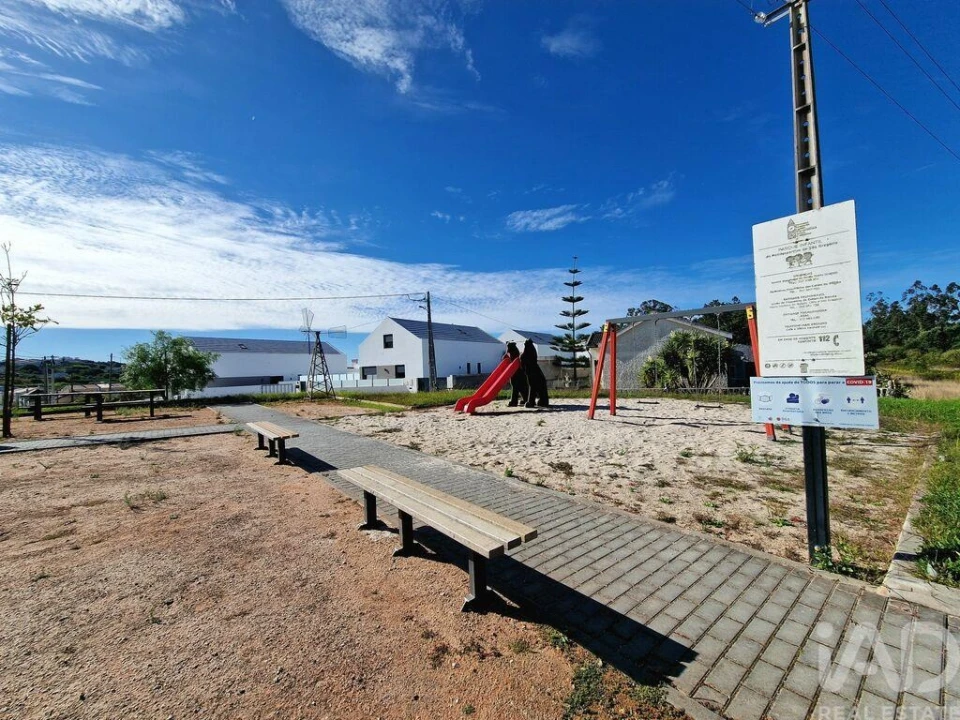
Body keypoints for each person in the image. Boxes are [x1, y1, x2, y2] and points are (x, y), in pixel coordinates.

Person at [504, 342, 528, 407]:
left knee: (516, 387)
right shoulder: (514, 353)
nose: (507, 348)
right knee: (521, 388)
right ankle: (525, 399)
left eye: (508, 346)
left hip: (517, 374)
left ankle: (514, 401)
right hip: (517, 373)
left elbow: (510, 360)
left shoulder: (514, 354)